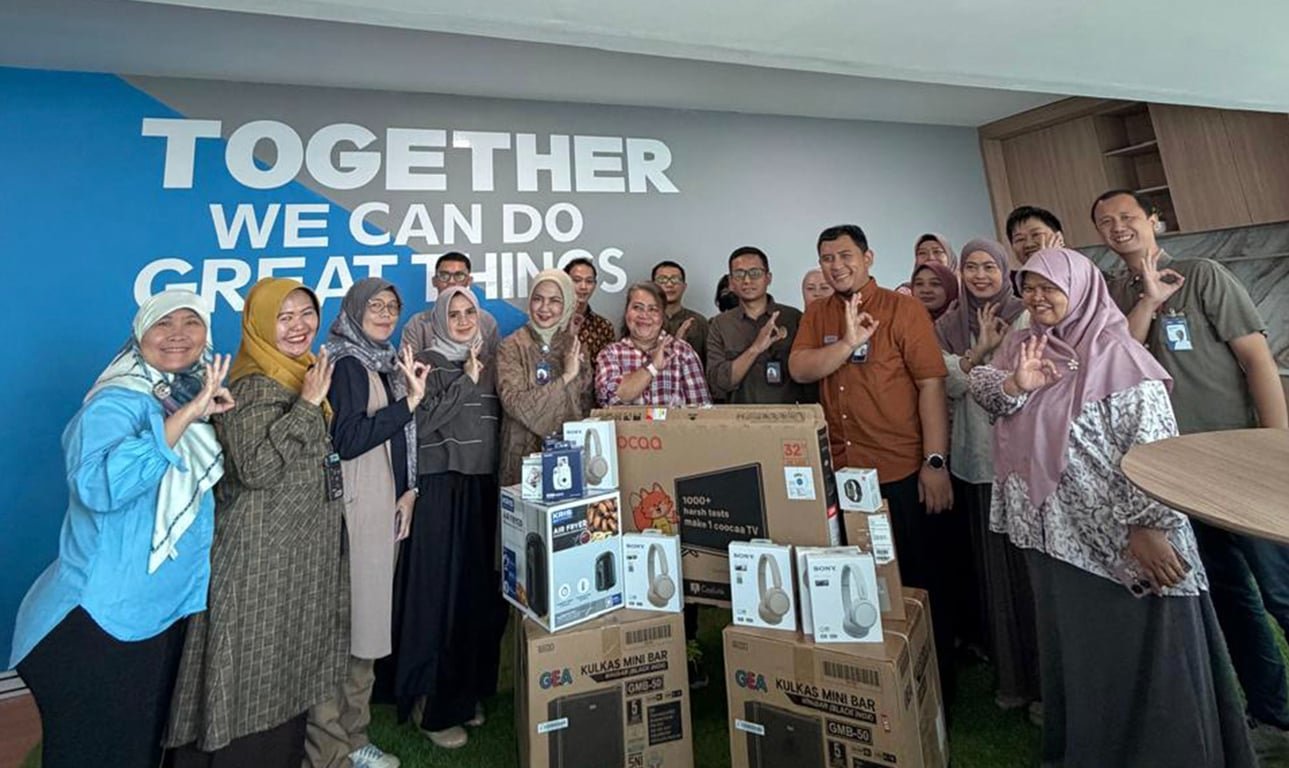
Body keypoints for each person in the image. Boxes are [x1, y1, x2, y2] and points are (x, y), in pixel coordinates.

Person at [970, 247, 1254, 767]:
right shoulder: (1025, 344)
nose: (1037, 298)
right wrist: (1016, 384)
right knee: (1084, 651)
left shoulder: (1117, 353)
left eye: (1049, 288)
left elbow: (1152, 446)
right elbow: (987, 393)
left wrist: (1149, 526)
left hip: (1119, 538)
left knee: (1137, 646)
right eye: (1029, 288)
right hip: (1056, 532)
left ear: (1080, 289)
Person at [1094, 188, 1289, 749]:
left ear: (1153, 220)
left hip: (1239, 463)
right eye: (1105, 222)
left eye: (1128, 217)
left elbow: (1256, 358)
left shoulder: (1202, 276)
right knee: (1231, 597)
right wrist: (1146, 301)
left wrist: (1276, 445)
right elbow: (1117, 363)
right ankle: (1273, 715)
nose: (1118, 227)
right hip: (1173, 478)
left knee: (1281, 591)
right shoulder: (1115, 293)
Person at [8, 290, 229, 768]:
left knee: (137, 749)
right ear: (139, 334)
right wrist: (184, 418)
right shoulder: (115, 402)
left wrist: (198, 413)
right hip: (99, 622)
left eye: (190, 322)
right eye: (162, 323)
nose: (177, 335)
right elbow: (100, 487)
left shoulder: (185, 393)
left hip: (157, 614)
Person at [167, 279, 348, 767]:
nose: (298, 326)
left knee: (284, 671)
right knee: (248, 671)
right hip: (257, 561)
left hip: (293, 557)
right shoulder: (251, 385)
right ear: (260, 324)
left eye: (306, 313)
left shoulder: (300, 373)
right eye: (283, 317)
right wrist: (307, 405)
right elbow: (256, 469)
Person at [789, 224, 955, 696]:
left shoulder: (903, 309)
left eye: (845, 256)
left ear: (868, 258)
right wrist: (845, 344)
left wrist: (935, 461)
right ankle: (875, 682)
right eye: (827, 258)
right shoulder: (818, 313)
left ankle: (934, 689)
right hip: (841, 471)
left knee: (917, 583)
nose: (836, 266)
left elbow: (931, 384)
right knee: (858, 583)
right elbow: (801, 368)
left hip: (900, 469)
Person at [308, 278, 426, 768]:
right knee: (346, 628)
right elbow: (348, 439)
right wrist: (409, 405)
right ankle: (330, 747)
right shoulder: (347, 364)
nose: (384, 313)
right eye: (374, 305)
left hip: (382, 506)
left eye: (391, 306)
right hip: (354, 510)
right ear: (354, 310)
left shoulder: (384, 361)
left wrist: (409, 490)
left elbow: (398, 439)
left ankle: (354, 738)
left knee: (368, 625)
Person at [395, 286, 505, 750]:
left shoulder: (492, 361)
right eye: (453, 313)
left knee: (473, 596)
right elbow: (418, 424)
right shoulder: (425, 361)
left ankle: (463, 692)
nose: (462, 320)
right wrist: (465, 380)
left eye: (469, 312)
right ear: (439, 317)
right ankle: (429, 703)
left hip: (481, 487)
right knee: (436, 597)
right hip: (440, 488)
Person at [934, 239, 1038, 714]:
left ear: (1004, 270)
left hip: (1022, 462)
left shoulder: (1026, 314)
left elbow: (1028, 380)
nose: (979, 276)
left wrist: (978, 362)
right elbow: (948, 383)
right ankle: (1010, 672)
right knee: (993, 573)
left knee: (1028, 572)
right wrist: (980, 351)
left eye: (989, 267)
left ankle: (1041, 675)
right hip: (976, 462)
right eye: (971, 267)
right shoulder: (947, 324)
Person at [497, 269, 594, 486]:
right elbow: (516, 404)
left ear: (567, 304)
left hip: (570, 457)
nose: (544, 308)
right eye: (538, 299)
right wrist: (567, 376)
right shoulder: (511, 346)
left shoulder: (575, 346)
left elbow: (585, 406)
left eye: (554, 301)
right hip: (523, 460)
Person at [706, 246, 810, 404]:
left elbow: (807, 374)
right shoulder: (720, 324)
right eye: (739, 274)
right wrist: (755, 349)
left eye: (755, 273)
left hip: (789, 416)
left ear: (768, 278)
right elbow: (717, 384)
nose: (747, 280)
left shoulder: (793, 318)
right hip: (739, 416)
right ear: (731, 282)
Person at [595, 281, 712, 408]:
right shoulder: (610, 353)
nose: (644, 315)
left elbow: (702, 409)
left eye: (653, 309)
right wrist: (652, 367)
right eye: (637, 307)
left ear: (662, 317)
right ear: (626, 312)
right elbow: (609, 398)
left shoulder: (682, 351)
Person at [400, 251, 499, 358]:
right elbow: (406, 366)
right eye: (444, 276)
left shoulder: (486, 321)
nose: (451, 281)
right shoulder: (418, 324)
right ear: (434, 281)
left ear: (469, 281)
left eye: (459, 276)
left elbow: (498, 363)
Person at [564, 257, 616, 370]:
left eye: (589, 281)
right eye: (576, 280)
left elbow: (609, 367)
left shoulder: (603, 326)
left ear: (595, 285)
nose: (583, 287)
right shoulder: (552, 322)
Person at [652, 260, 709, 363]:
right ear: (653, 286)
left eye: (675, 279)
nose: (669, 284)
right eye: (662, 280)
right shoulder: (645, 320)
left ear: (684, 286)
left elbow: (709, 363)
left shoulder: (698, 322)